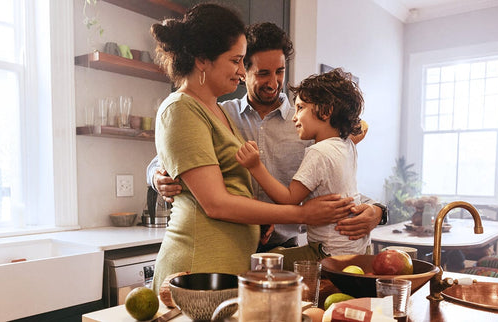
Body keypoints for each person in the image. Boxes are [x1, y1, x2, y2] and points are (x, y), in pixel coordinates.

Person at [149, 4, 354, 295]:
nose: (239, 72)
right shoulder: (181, 109)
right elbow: (215, 202)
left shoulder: (215, 111)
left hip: (231, 267)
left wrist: (374, 211)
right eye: (236, 61)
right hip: (197, 269)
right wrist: (302, 214)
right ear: (202, 60)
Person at [147, 22, 388, 254]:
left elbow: (336, 184)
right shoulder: (221, 113)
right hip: (229, 241)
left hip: (283, 246)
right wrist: (158, 176)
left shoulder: (308, 122)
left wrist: (377, 211)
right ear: (244, 70)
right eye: (263, 73)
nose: (273, 83)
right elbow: (164, 158)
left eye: (279, 71)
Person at [237, 68, 369, 270]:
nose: (294, 117)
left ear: (326, 111)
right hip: (357, 249)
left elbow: (289, 198)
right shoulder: (347, 145)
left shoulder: (318, 152)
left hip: (325, 253)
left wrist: (255, 167)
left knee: (267, 260)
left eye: (300, 108)